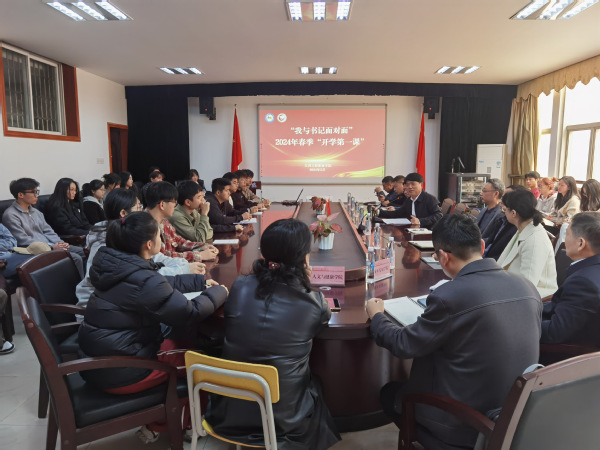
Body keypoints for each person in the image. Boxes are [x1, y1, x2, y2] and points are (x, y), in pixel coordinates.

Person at [366, 214, 542, 449]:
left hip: (464, 425)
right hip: (514, 417)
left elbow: (403, 345)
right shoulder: (526, 286)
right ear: (482, 246)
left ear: (443, 257)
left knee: (390, 393)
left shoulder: (449, 296)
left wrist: (377, 316)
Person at [77, 211, 227, 442]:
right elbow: (190, 312)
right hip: (123, 370)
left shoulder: (115, 265)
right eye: (159, 235)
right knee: (199, 361)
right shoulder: (140, 277)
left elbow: (161, 284)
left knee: (182, 341)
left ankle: (166, 421)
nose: (162, 240)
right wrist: (219, 292)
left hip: (97, 362)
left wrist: (200, 281)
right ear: (149, 244)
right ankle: (184, 425)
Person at [206, 218, 340, 449]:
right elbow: (320, 321)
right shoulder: (314, 302)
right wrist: (305, 284)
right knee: (316, 381)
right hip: (284, 420)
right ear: (304, 258)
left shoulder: (240, 285)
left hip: (228, 411)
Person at [76, 188, 206, 308]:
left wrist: (185, 265)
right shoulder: (106, 244)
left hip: (122, 301)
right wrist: (184, 269)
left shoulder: (130, 234)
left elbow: (157, 259)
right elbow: (140, 278)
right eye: (138, 207)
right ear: (123, 213)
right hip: (101, 307)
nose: (142, 211)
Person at [2, 178, 85, 276]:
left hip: (51, 246)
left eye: (37, 192)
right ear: (20, 195)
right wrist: (51, 247)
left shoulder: (36, 212)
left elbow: (48, 231)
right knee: (75, 258)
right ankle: (79, 285)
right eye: (33, 192)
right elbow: (23, 240)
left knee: (84, 252)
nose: (37, 195)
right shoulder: (10, 215)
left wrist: (60, 243)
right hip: (35, 252)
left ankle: (86, 281)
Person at [541, 212, 600, 345]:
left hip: (567, 354)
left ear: (581, 243)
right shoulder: (589, 273)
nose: (564, 240)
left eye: (567, 234)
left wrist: (518, 324)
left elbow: (553, 333)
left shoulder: (584, 283)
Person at [496, 189, 558, 298]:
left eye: (505, 209)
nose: (504, 212)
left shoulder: (534, 240)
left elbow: (527, 286)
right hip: (512, 288)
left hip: (533, 297)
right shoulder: (523, 229)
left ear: (513, 213)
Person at [146, 181, 218, 262]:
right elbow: (164, 257)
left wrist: (202, 246)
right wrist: (199, 255)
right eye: (173, 201)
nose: (175, 205)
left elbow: (178, 240)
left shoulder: (164, 221)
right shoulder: (147, 226)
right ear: (162, 205)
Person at [482, 184, 527, 260]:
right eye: (503, 197)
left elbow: (503, 256)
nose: (501, 201)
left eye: (507, 198)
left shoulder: (517, 227)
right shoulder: (501, 220)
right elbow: (490, 242)